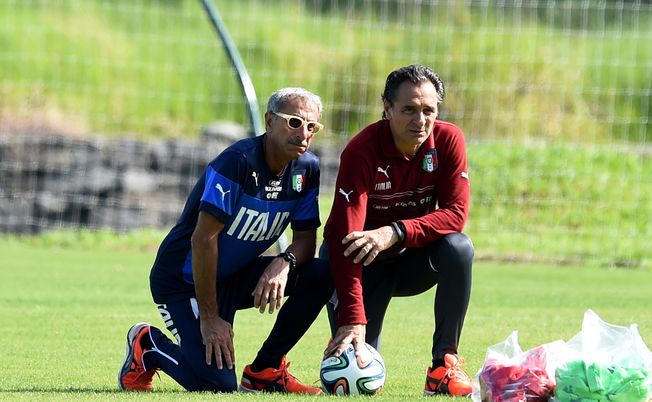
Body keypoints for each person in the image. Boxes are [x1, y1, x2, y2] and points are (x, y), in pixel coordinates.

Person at [118, 87, 332, 394]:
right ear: (269, 121)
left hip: (234, 277)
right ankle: (148, 344)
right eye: (294, 122)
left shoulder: (307, 169)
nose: (304, 133)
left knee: (321, 273)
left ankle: (265, 371)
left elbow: (306, 243)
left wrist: (283, 263)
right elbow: (203, 240)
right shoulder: (237, 162)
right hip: (183, 281)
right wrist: (210, 317)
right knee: (214, 385)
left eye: (312, 127)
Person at [321, 64, 475, 396]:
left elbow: (456, 214)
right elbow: (343, 236)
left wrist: (395, 231)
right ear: (387, 109)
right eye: (409, 110)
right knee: (360, 380)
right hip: (361, 263)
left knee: (458, 248)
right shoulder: (361, 150)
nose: (420, 120)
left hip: (411, 263)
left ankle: (443, 366)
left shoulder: (448, 140)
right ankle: (344, 342)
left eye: (428, 110)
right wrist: (353, 316)